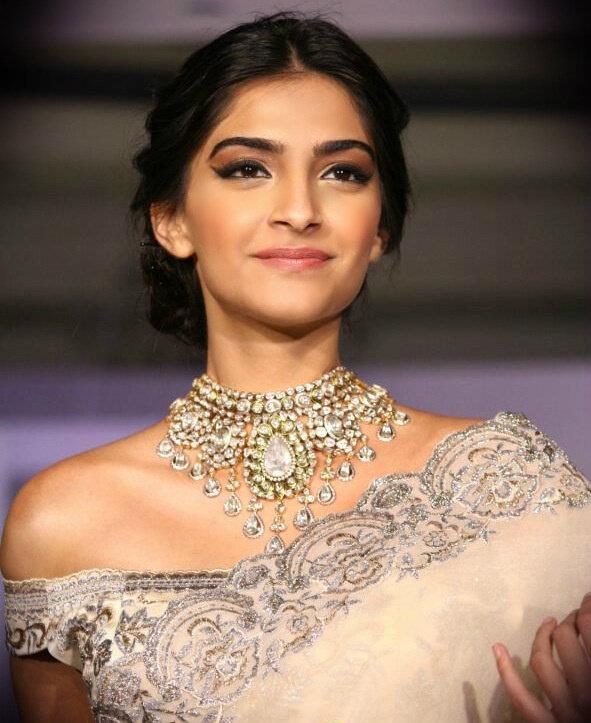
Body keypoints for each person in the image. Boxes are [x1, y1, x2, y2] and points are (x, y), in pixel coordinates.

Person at [1, 11, 589, 722]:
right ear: (172, 219)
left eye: (343, 172)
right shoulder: (66, 521)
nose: (300, 209)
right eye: (248, 169)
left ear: (379, 227)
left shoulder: (507, 488)